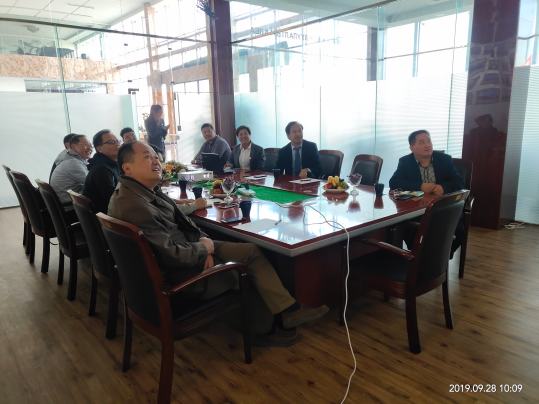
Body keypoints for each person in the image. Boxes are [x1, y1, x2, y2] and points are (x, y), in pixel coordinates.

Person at [109, 141, 329, 346]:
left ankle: (288, 311)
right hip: (184, 274)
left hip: (191, 250)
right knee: (248, 267)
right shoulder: (135, 206)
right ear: (127, 168)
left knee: (251, 250)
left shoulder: (140, 192)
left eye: (156, 156)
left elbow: (183, 221)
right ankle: (266, 330)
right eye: (148, 157)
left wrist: (204, 241)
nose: (157, 161)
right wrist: (203, 249)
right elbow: (172, 256)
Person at [389, 129, 465, 254]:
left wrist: (444, 188)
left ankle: (440, 257)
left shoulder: (445, 159)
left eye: (429, 141)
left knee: (459, 232)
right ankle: (419, 257)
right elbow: (394, 182)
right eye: (422, 142)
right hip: (417, 209)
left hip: (444, 208)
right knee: (407, 229)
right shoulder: (405, 161)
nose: (427, 145)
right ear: (412, 148)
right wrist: (420, 186)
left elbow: (459, 182)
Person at [82, 130, 121, 214]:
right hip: (106, 217)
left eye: (117, 141)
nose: (117, 144)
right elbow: (114, 200)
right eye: (111, 142)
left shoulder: (112, 164)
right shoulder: (101, 169)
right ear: (99, 149)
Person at [50, 134, 92, 204]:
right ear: (73, 146)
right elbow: (92, 182)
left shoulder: (69, 159)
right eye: (86, 144)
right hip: (71, 206)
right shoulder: (72, 163)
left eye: (91, 146)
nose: (90, 148)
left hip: (68, 201)